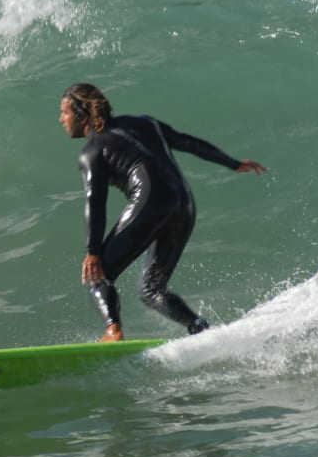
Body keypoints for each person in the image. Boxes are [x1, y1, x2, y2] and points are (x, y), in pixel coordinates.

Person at [59, 83, 267, 342]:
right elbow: (188, 142)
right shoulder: (146, 123)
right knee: (151, 289)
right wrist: (233, 163)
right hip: (183, 203)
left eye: (64, 113)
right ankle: (198, 326)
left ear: (82, 116)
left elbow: (96, 202)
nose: (61, 119)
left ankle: (113, 331)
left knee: (98, 275)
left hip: (151, 201)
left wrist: (92, 252)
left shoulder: (92, 151)